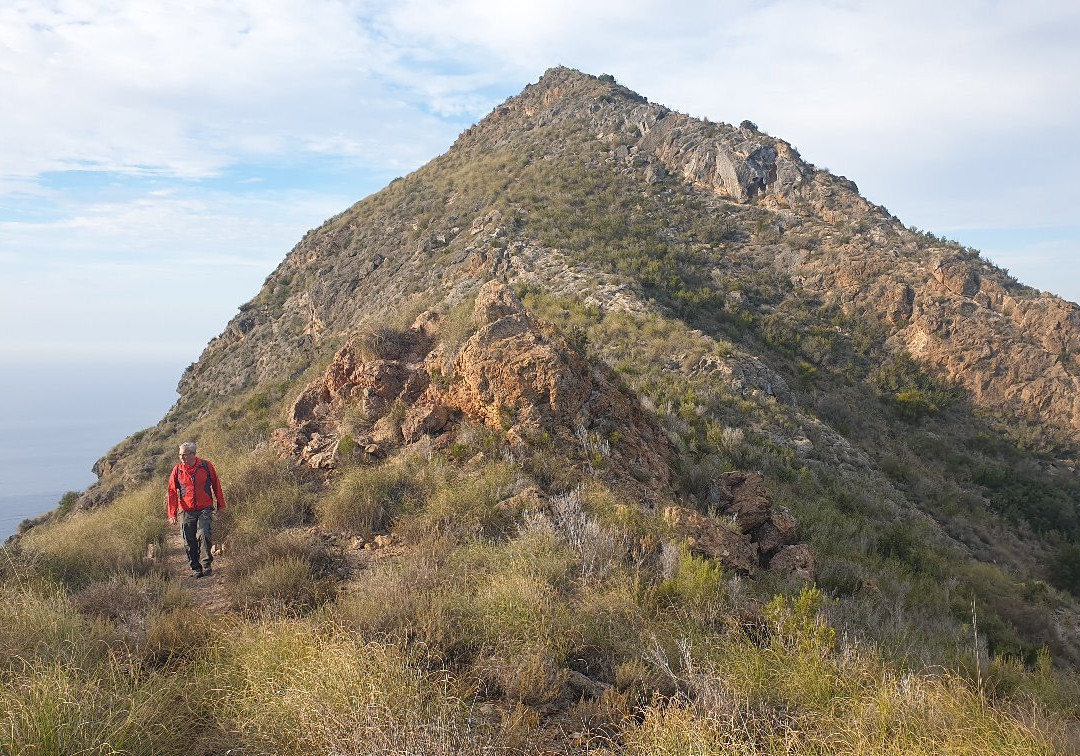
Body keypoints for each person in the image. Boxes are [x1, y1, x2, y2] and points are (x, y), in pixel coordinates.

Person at [167, 441, 227, 578]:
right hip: (186, 510)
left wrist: (221, 505)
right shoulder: (177, 470)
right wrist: (172, 514)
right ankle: (195, 567)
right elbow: (171, 492)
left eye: (185, 455)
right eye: (180, 455)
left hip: (204, 508)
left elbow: (216, 485)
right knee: (189, 540)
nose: (182, 458)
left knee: (204, 534)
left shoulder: (206, 466)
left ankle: (206, 564)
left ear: (193, 454)